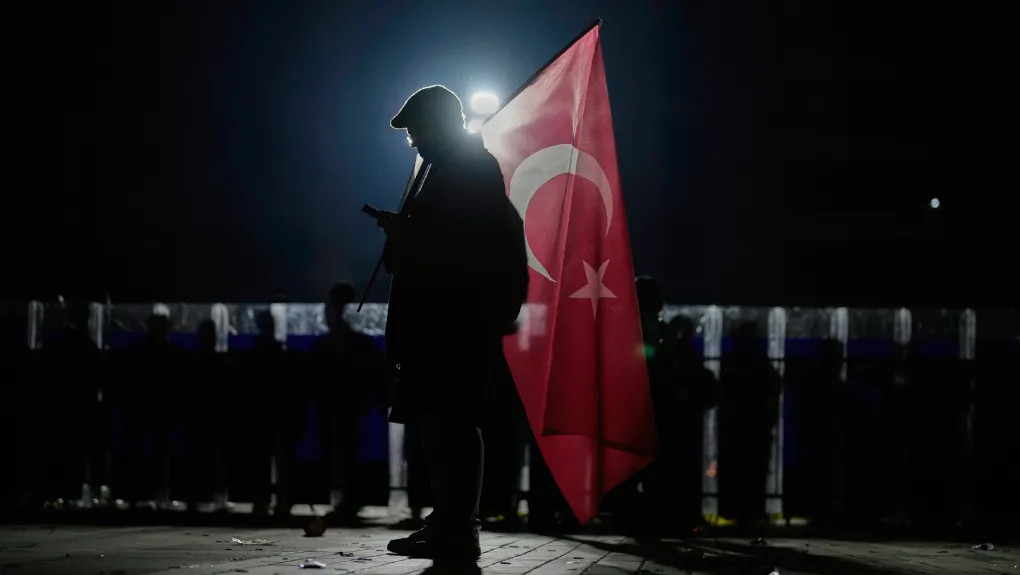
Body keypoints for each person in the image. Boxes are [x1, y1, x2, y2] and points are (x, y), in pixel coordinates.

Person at [378, 85, 528, 560]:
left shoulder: (469, 169)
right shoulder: (451, 169)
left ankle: (458, 526)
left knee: (452, 424)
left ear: (439, 124)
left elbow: (459, 247)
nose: (414, 140)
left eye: (417, 130)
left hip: (453, 322)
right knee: (438, 423)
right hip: (438, 322)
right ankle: (449, 520)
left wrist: (406, 235)